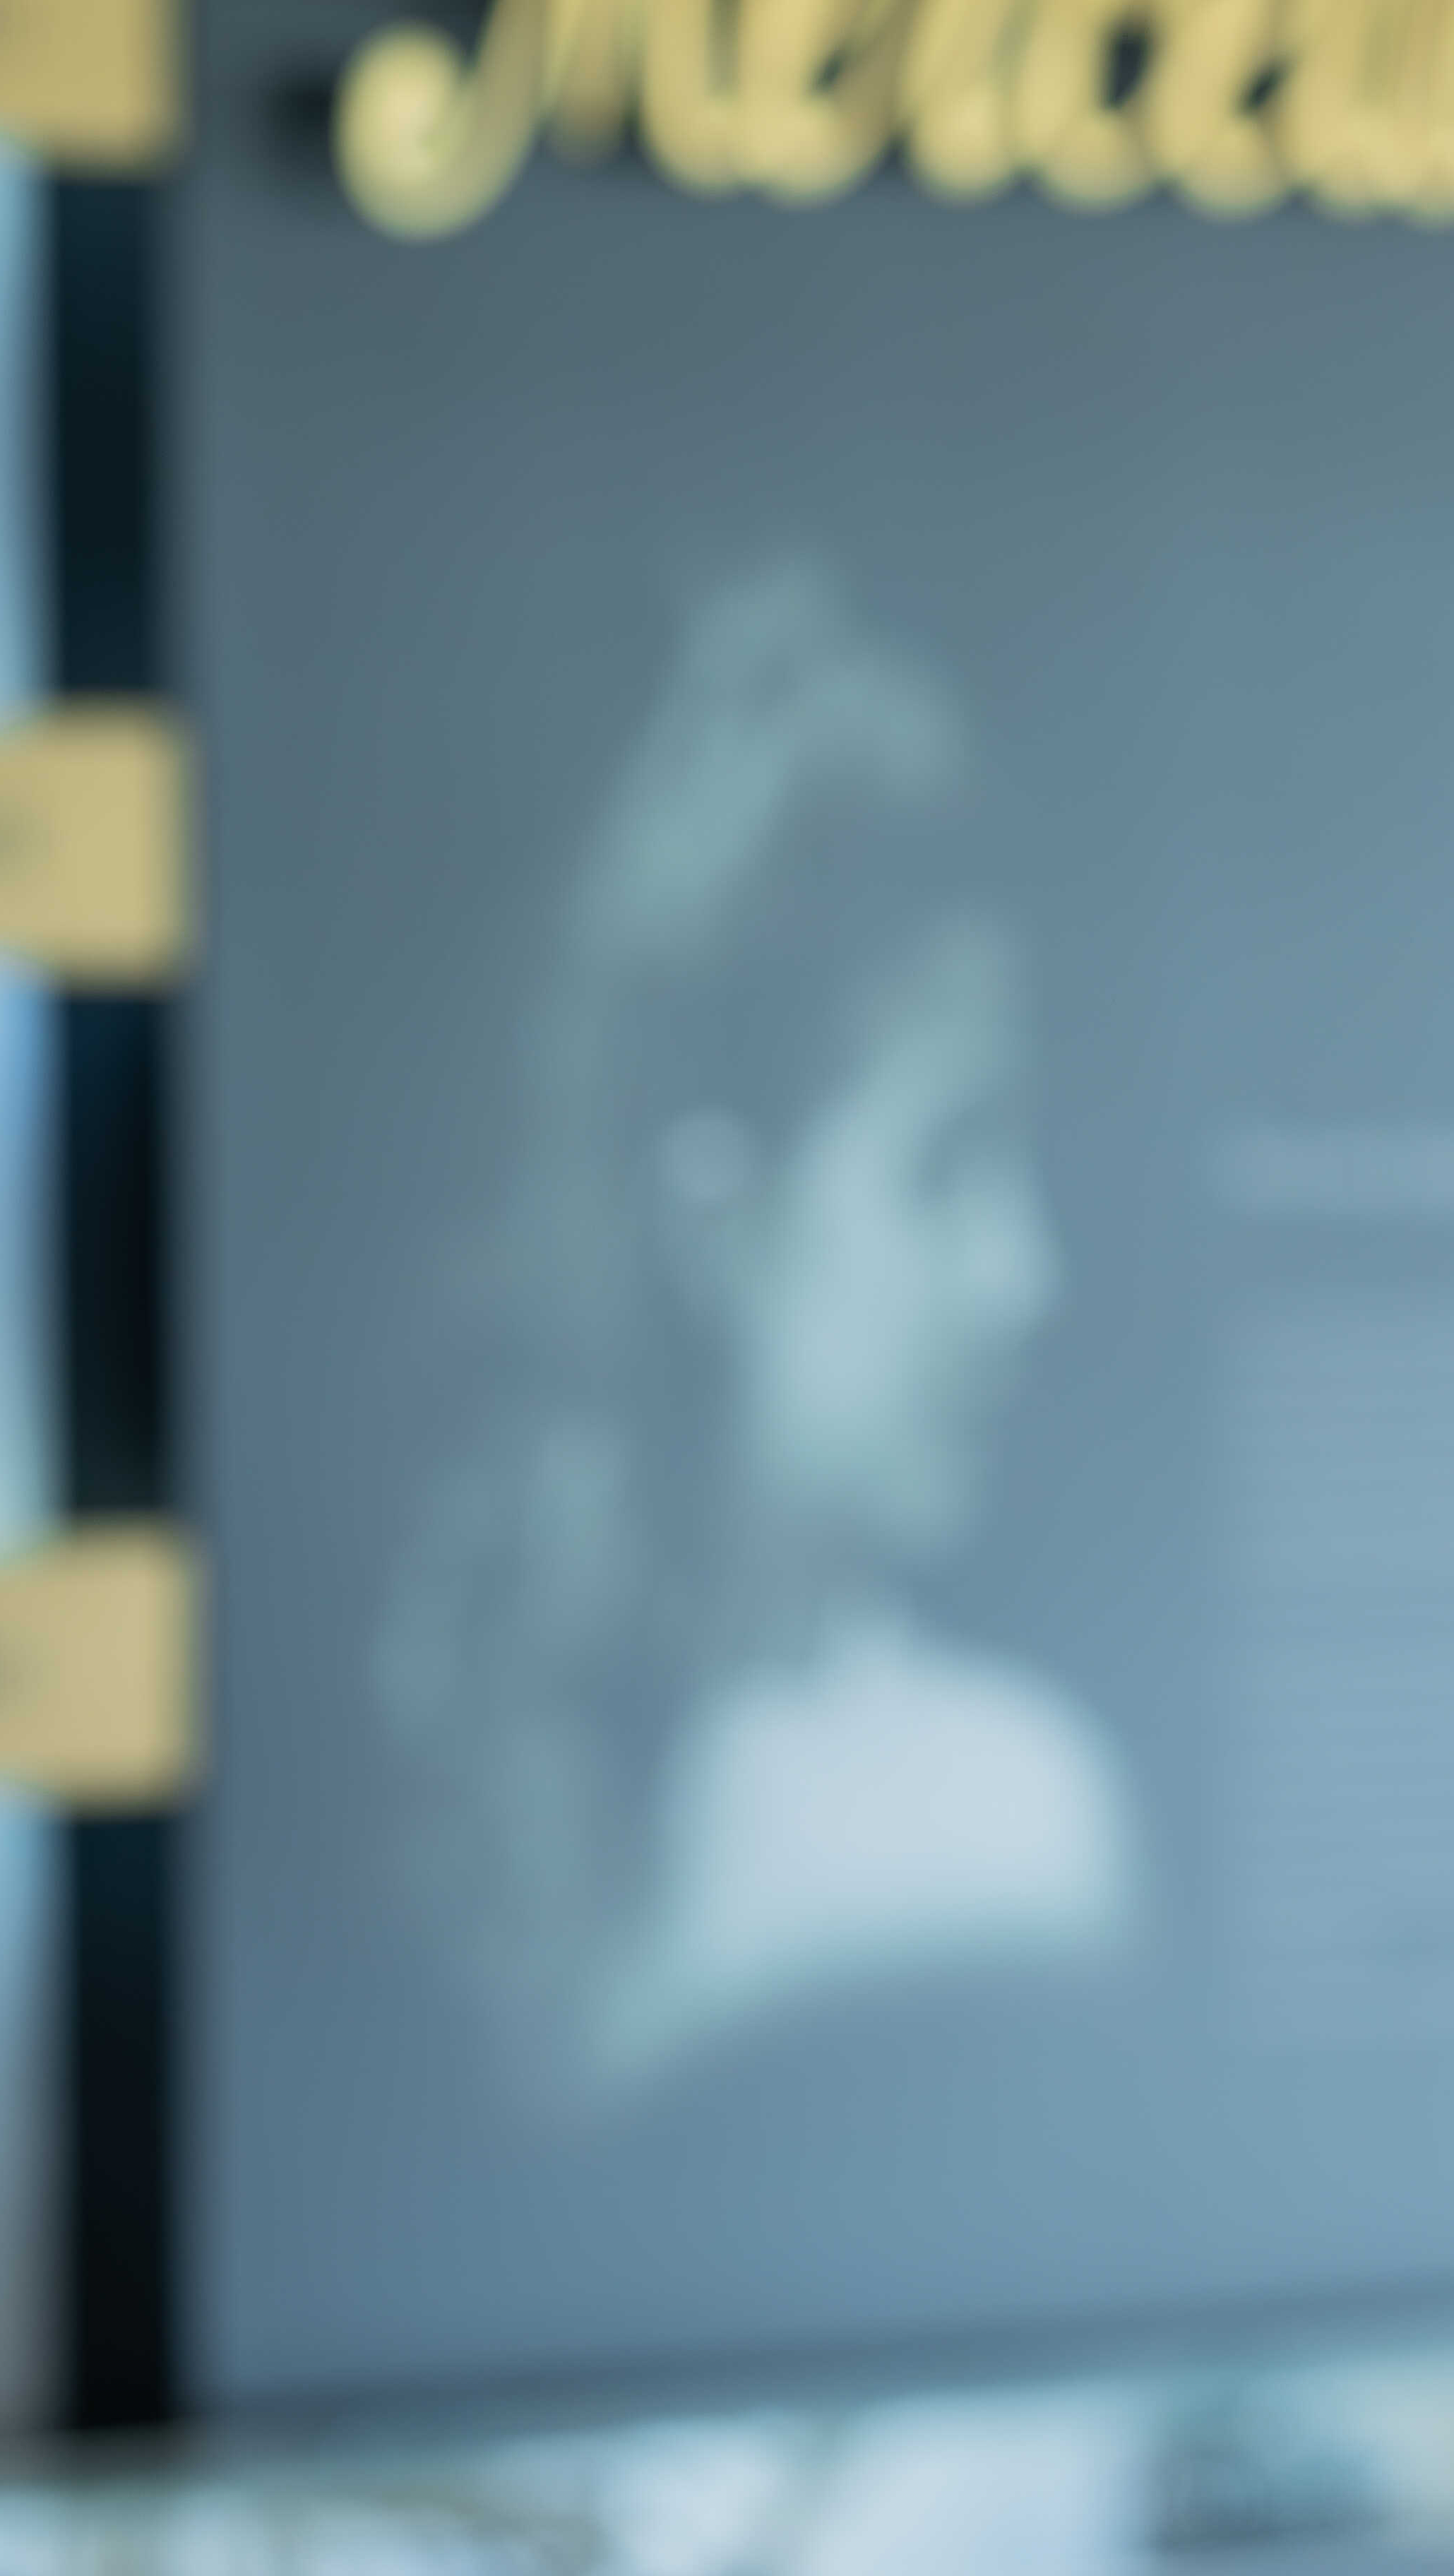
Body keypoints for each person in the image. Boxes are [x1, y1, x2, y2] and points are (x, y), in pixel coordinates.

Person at [375, 556, 1138, 2107]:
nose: (1025, 1273)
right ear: (721, 1228)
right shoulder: (994, 1822)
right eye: (944, 1170)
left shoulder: (998, 1806)